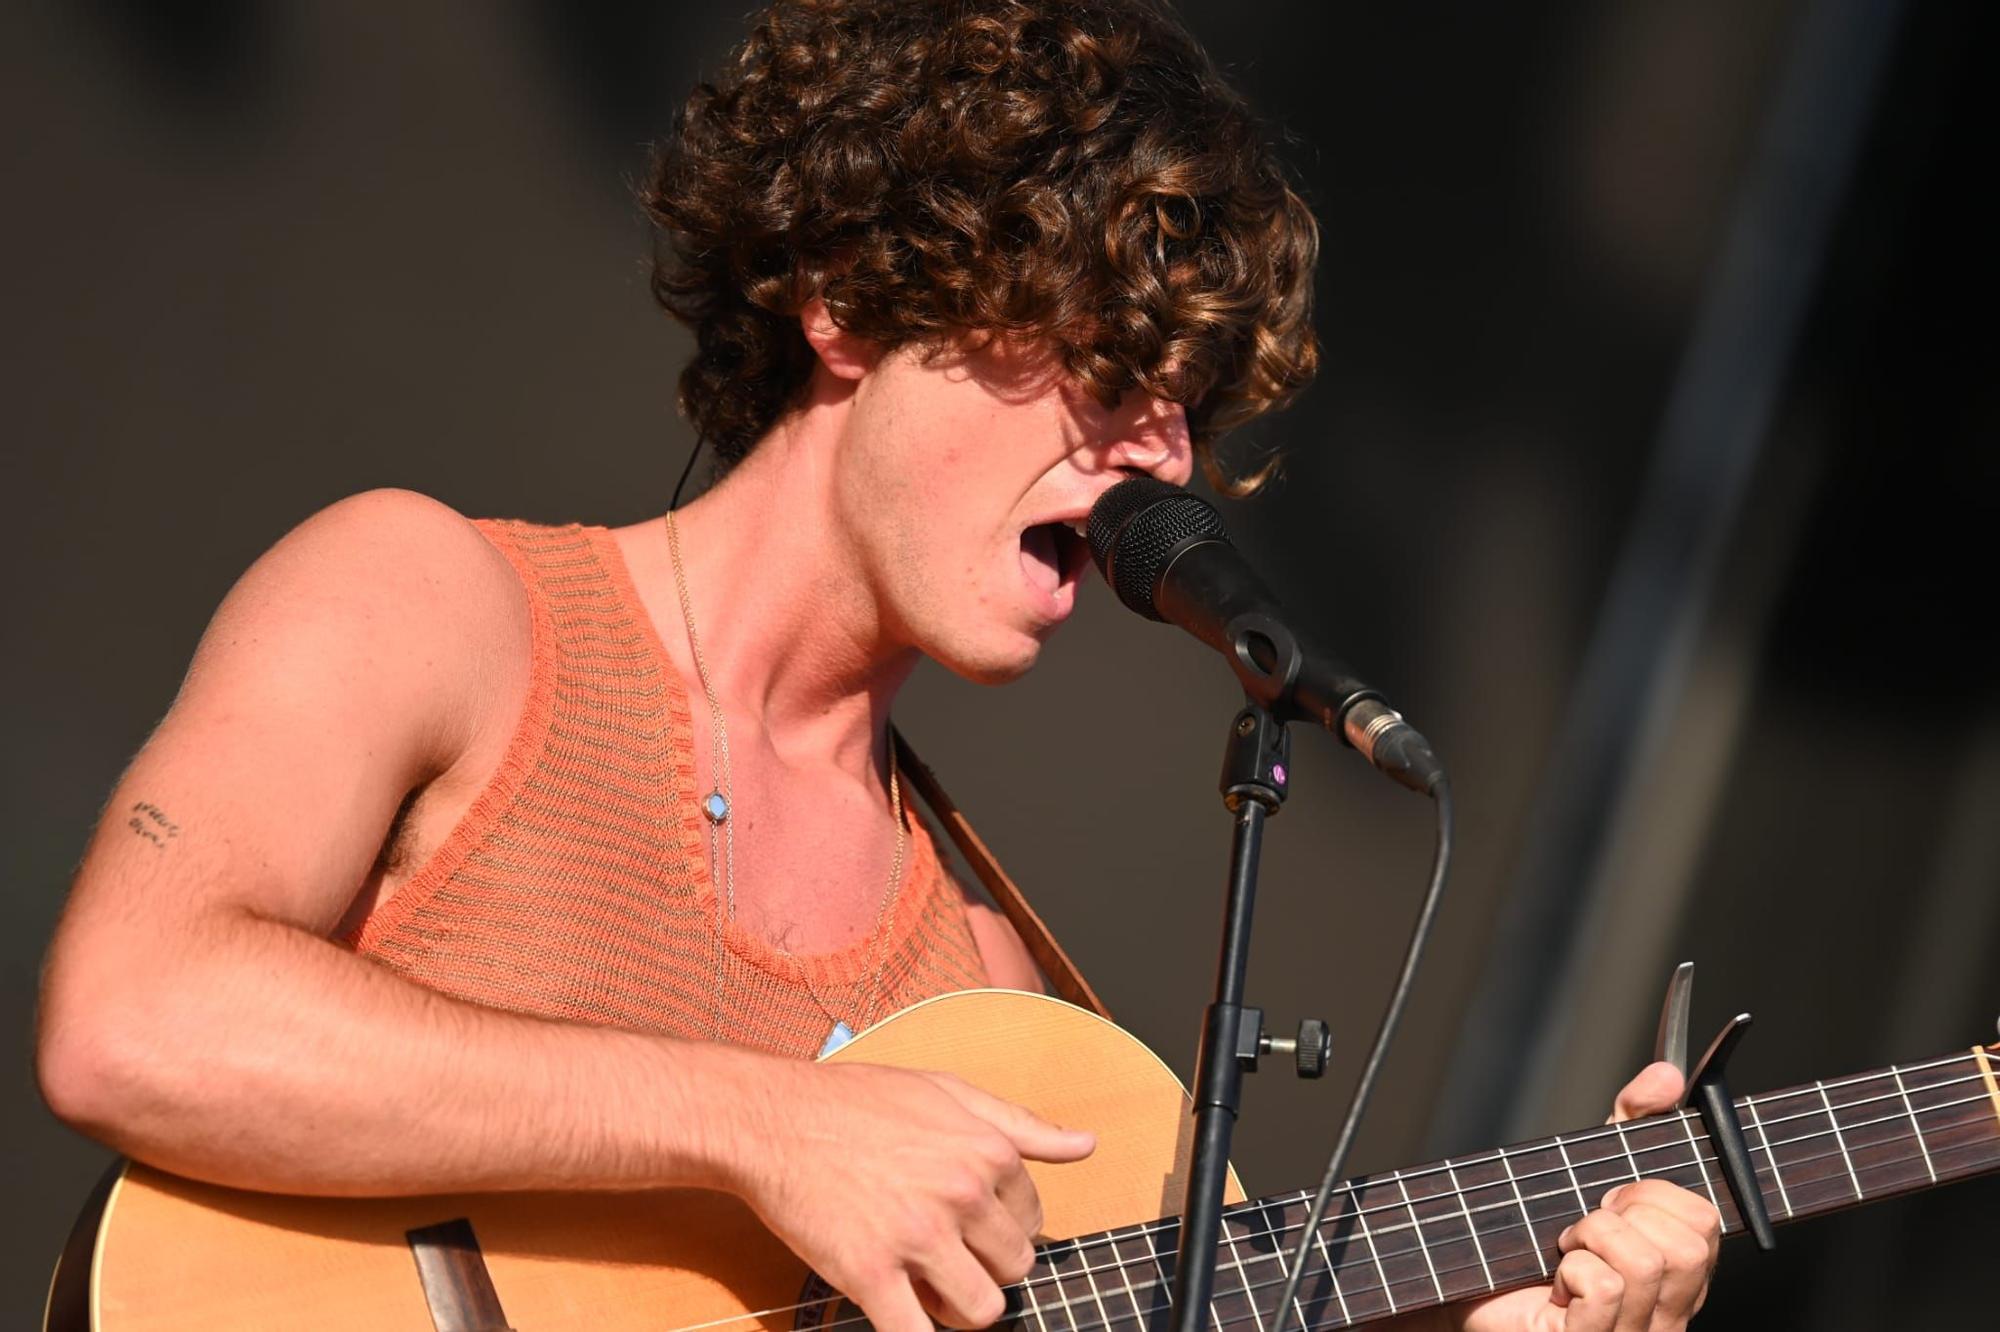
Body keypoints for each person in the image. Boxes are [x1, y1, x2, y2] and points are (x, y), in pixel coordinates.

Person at [35, 1, 1721, 1328]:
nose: (1164, 464)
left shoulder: (984, 982)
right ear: (852, 303)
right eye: (1112, 367)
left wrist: (1485, 1325)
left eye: (1187, 409)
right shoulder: (434, 603)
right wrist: (761, 1124)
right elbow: (131, 1019)